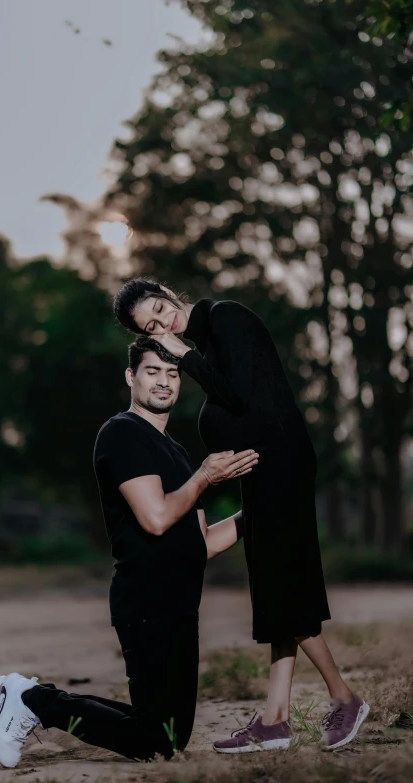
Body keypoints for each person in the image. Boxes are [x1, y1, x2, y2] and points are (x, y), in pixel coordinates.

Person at [113, 278, 369, 753]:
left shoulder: (225, 316)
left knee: (284, 587)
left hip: (282, 462)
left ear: (167, 293)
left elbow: (240, 396)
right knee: (276, 588)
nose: (161, 322)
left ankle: (344, 696)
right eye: (150, 326)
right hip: (266, 466)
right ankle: (275, 719)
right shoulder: (207, 338)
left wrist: (186, 358)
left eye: (157, 308)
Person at [0, 336, 259, 768]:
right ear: (131, 376)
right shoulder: (122, 433)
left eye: (173, 374)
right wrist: (205, 478)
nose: (164, 382)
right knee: (155, 743)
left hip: (181, 604)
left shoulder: (178, 452)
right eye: (153, 371)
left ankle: (30, 697)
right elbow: (155, 518)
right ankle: (33, 699)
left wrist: (254, 516)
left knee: (167, 735)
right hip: (145, 600)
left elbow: (202, 544)